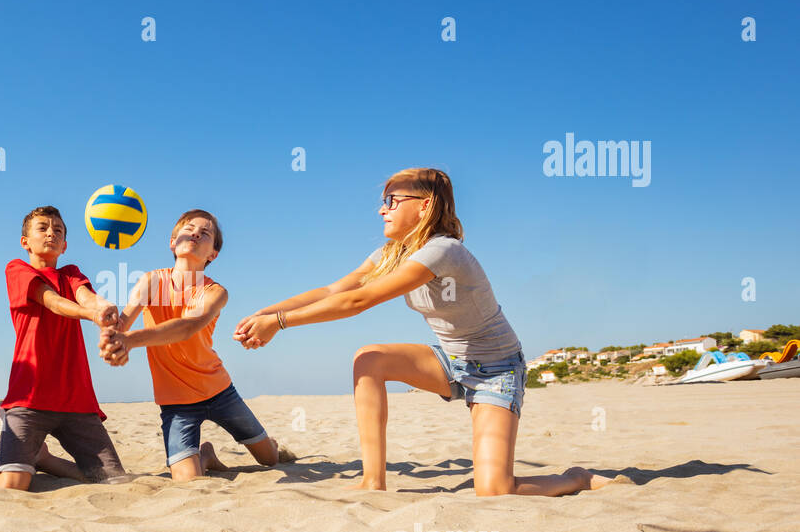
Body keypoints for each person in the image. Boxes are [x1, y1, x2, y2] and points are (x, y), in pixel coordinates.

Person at [232, 167, 617, 497]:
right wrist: (267, 312)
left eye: (391, 200)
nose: (381, 208)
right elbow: (337, 290)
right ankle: (372, 480)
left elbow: (358, 302)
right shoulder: (391, 253)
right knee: (369, 358)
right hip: (450, 359)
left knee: (495, 490)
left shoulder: (443, 251)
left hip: (496, 370)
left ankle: (576, 478)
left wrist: (279, 325)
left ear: (425, 204)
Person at [100, 209, 282, 481]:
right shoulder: (150, 281)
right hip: (176, 403)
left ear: (213, 254)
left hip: (219, 391)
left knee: (270, 460)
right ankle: (205, 455)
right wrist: (112, 336)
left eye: (205, 232)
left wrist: (129, 341)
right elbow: (123, 323)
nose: (195, 232)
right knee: (188, 481)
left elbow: (187, 327)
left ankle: (263, 447)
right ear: (173, 242)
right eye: (188, 228)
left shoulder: (215, 292)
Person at [0, 205, 129, 491]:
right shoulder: (17, 269)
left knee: (116, 482)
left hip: (77, 400)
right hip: (28, 398)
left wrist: (101, 307)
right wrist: (91, 314)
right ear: (25, 241)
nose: (51, 233)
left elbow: (86, 297)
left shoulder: (70, 273)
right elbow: (51, 301)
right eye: (42, 228)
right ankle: (12, 463)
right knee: (12, 486)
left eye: (58, 230)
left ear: (64, 245)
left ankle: (44, 460)